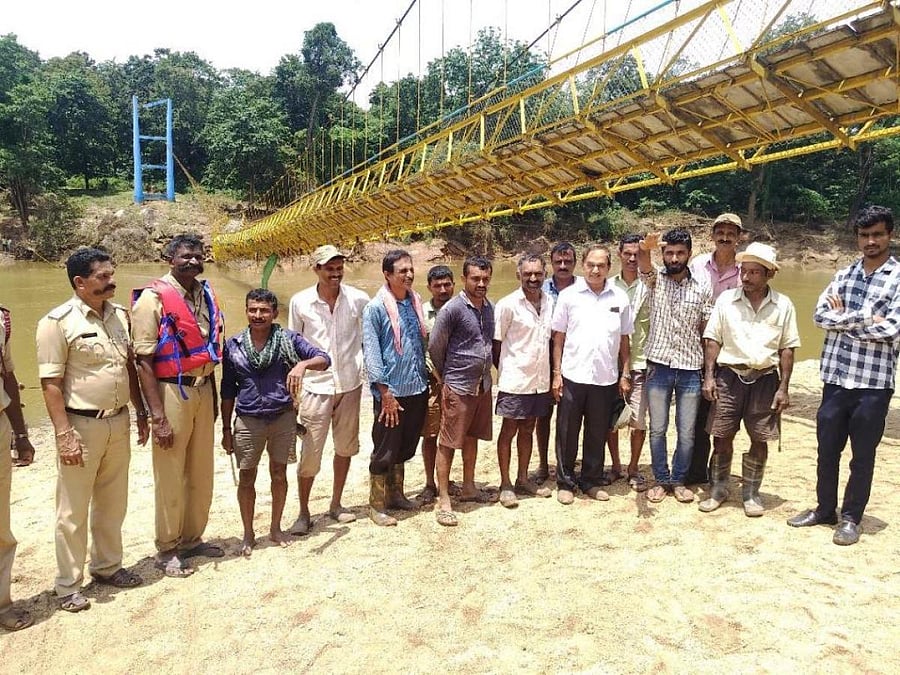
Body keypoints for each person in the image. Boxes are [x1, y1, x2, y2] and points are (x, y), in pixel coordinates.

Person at [36, 248, 149, 612]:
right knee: (72, 510)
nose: (111, 281)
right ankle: (68, 585)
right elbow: (50, 384)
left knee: (113, 502)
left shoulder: (119, 316)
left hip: (118, 420)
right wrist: (63, 434)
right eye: (103, 277)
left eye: (111, 274)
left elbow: (128, 367)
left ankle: (107, 567)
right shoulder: (57, 322)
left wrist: (141, 412)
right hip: (81, 425)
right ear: (79, 282)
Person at [788, 205, 900, 546]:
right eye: (865, 235)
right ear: (857, 237)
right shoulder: (844, 274)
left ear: (890, 235)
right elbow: (820, 317)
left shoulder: (898, 278)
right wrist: (866, 319)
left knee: (862, 456)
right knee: (827, 451)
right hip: (836, 380)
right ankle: (824, 509)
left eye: (877, 234)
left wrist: (844, 320)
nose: (871, 241)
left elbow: (892, 330)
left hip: (873, 385)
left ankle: (851, 518)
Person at [132, 234, 224, 578]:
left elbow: (210, 350)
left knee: (201, 471)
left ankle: (191, 539)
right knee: (170, 473)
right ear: (170, 259)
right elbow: (143, 361)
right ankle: (167, 548)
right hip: (172, 391)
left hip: (203, 388)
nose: (193, 261)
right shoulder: (152, 299)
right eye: (186, 256)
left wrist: (214, 400)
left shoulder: (206, 294)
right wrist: (156, 416)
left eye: (198, 256)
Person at [221, 289, 330, 557]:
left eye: (264, 310)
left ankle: (275, 528)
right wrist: (225, 429)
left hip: (282, 417)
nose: (258, 315)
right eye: (253, 310)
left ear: (274, 313)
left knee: (279, 474)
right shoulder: (233, 345)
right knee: (247, 477)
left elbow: (324, 359)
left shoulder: (288, 340)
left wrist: (302, 365)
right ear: (246, 311)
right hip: (247, 419)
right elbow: (227, 390)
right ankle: (248, 533)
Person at [699, 243, 799, 516]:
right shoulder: (726, 300)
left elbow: (787, 348)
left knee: (760, 438)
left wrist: (783, 388)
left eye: (754, 272)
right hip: (728, 377)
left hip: (765, 380)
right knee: (721, 436)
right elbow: (712, 340)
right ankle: (718, 489)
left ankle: (751, 493)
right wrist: (709, 377)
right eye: (744, 271)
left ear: (769, 274)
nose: (746, 277)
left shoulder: (783, 305)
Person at [287, 244, 370, 535]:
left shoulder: (358, 299)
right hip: (315, 387)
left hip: (350, 384)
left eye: (339, 268)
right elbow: (293, 346)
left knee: (345, 448)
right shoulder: (300, 302)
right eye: (329, 269)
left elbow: (369, 337)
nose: (336, 273)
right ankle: (303, 512)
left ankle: (336, 504)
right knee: (310, 453)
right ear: (316, 270)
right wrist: (292, 393)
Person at [551, 244, 633, 504]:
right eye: (591, 265)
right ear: (582, 265)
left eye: (601, 265)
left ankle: (591, 481)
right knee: (567, 432)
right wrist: (556, 374)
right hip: (573, 376)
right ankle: (566, 482)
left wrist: (625, 373)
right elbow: (558, 338)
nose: (595, 270)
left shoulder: (620, 297)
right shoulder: (569, 296)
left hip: (605, 377)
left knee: (597, 433)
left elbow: (624, 339)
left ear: (609, 267)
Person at [638, 229, 713, 504]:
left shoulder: (702, 286)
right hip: (659, 366)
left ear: (689, 254)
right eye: (669, 253)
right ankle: (661, 479)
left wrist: (709, 372)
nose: (674, 258)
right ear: (662, 254)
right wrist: (645, 248)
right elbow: (644, 266)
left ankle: (679, 480)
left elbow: (706, 332)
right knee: (657, 428)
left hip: (691, 368)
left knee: (687, 431)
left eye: (680, 253)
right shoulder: (655, 280)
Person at [362, 249, 429, 526]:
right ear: (387, 275)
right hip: (392, 392)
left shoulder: (415, 301)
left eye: (411, 270)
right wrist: (385, 392)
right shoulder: (375, 308)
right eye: (402, 271)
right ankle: (376, 505)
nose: (409, 275)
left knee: (404, 445)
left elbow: (421, 343)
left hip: (416, 386)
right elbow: (372, 353)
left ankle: (396, 495)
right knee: (384, 448)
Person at [429, 256, 495, 526]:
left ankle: (469, 487)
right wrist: (448, 377)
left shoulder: (489, 307)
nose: (481, 283)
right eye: (475, 278)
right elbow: (436, 346)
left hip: (482, 385)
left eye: (485, 278)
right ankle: (444, 498)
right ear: (464, 279)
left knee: (471, 437)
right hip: (458, 385)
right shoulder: (452, 309)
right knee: (448, 442)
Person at [685, 213, 744, 485]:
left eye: (731, 233)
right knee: (696, 417)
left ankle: (717, 474)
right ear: (712, 236)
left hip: (731, 354)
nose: (725, 237)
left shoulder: (746, 270)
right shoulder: (697, 265)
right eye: (720, 232)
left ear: (739, 238)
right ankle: (696, 472)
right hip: (696, 351)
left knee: (722, 417)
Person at [492, 254, 554, 508]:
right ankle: (505, 484)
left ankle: (522, 479)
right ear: (518, 275)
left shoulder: (551, 302)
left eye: (538, 273)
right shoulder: (507, 304)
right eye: (528, 273)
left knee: (528, 428)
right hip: (515, 380)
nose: (533, 278)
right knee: (509, 430)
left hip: (540, 380)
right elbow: (496, 344)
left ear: (545, 274)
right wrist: (507, 370)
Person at [606, 234, 650, 492]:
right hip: (611, 363)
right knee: (610, 419)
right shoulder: (608, 286)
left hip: (643, 362)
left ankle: (633, 468)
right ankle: (615, 466)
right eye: (628, 254)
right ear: (619, 255)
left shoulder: (652, 285)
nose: (632, 259)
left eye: (638, 254)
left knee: (638, 420)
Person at [0, 303, 34, 631]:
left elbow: (7, 375)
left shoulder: (1, 319)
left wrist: (21, 435)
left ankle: (2, 604)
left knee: (0, 526)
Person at [534, 242, 580, 483]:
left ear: (575, 263)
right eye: (558, 262)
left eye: (568, 261)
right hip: (543, 358)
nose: (563, 266)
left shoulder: (584, 288)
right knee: (543, 416)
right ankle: (543, 465)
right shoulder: (539, 288)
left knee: (571, 416)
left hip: (576, 359)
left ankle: (567, 464)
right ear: (550, 264)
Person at [418, 265, 455, 504]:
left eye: (447, 284)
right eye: (437, 285)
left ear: (454, 285)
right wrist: (437, 375)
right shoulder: (422, 313)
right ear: (429, 287)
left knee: (453, 434)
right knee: (430, 434)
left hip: (458, 381)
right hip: (432, 382)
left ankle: (447, 481)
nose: (443, 290)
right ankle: (430, 483)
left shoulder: (462, 308)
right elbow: (419, 348)